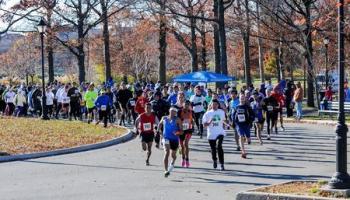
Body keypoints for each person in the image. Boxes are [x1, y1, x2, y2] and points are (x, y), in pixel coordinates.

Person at [202, 99, 227, 170]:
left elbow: (223, 120)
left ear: (218, 105)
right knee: (213, 149)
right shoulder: (207, 114)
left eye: (215, 104)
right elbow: (204, 125)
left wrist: (226, 125)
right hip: (211, 134)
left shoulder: (221, 112)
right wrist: (209, 122)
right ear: (210, 105)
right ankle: (214, 160)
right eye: (213, 104)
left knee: (219, 147)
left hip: (220, 132)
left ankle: (222, 164)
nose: (214, 106)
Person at [158, 106, 183, 177]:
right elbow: (159, 125)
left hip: (174, 139)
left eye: (174, 111)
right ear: (169, 111)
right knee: (167, 152)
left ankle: (172, 163)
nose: (172, 112)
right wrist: (159, 132)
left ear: (176, 113)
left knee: (173, 156)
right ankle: (166, 170)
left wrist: (177, 133)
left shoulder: (177, 119)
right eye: (171, 111)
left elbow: (182, 131)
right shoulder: (164, 118)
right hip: (166, 138)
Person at [233, 94, 255, 158]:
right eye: (241, 98)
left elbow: (252, 115)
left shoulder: (247, 107)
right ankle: (243, 151)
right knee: (241, 136)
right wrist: (233, 122)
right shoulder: (236, 107)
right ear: (239, 99)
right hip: (239, 124)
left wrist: (250, 120)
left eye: (243, 98)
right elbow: (233, 115)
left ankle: (248, 139)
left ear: (245, 99)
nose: (242, 99)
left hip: (246, 124)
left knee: (248, 138)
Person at [178, 100, 194, 168]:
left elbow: (193, 120)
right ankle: (183, 158)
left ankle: (187, 159)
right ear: (183, 104)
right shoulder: (179, 111)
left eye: (188, 104)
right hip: (181, 130)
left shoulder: (191, 112)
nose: (187, 105)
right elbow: (177, 120)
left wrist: (193, 125)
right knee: (182, 146)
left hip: (188, 130)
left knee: (186, 144)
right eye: (185, 104)